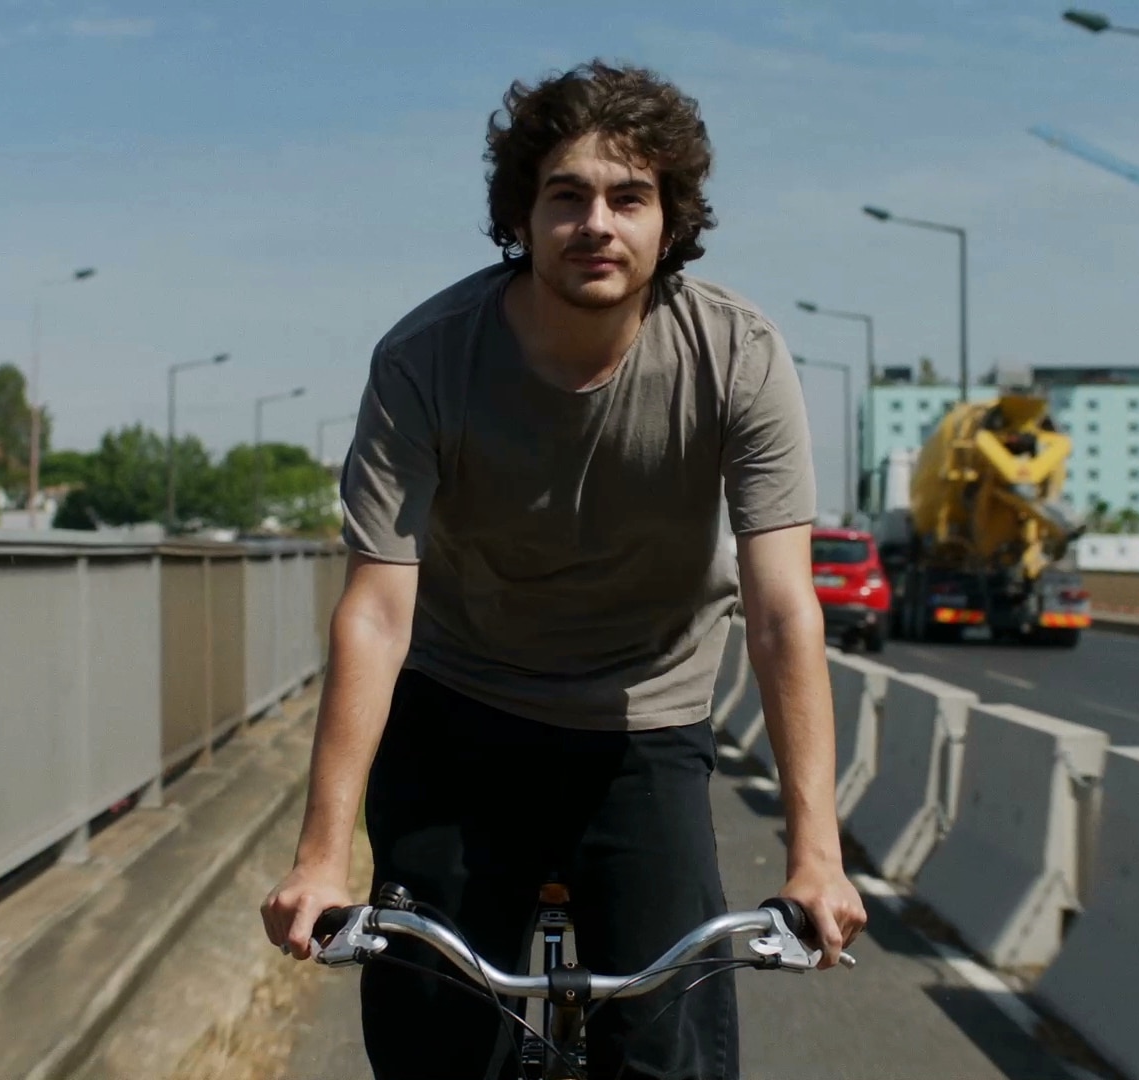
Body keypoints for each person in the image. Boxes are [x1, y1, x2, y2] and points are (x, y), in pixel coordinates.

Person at [261, 58, 866, 1079]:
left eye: (629, 198)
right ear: (522, 218)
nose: (597, 224)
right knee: (435, 1034)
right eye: (566, 197)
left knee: (669, 1043)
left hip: (644, 721)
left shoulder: (738, 356)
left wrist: (817, 855)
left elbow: (779, 614)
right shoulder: (424, 361)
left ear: (670, 222)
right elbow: (375, 614)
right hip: (458, 712)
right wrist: (323, 857)